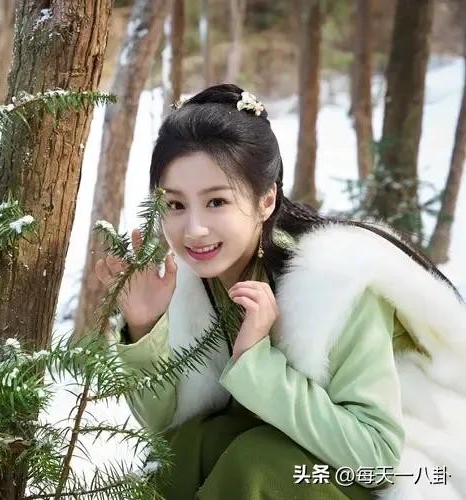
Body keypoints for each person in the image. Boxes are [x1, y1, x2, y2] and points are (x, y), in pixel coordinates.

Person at [94, 84, 466, 499]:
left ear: (266, 199)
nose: (194, 229)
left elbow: (377, 457)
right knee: (191, 446)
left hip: (403, 473)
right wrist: (145, 326)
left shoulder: (334, 284)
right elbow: (166, 430)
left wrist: (257, 364)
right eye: (175, 205)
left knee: (258, 462)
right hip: (299, 451)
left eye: (216, 202)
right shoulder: (190, 282)